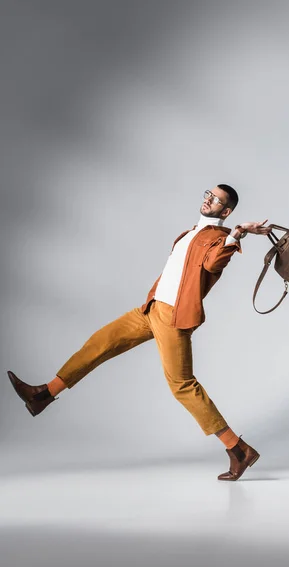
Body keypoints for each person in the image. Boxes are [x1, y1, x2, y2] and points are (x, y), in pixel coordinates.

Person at [8, 184, 272, 481]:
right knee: (101, 342)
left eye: (216, 200)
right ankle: (44, 394)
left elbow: (213, 263)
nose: (208, 199)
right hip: (151, 309)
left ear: (225, 211)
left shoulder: (219, 238)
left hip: (174, 317)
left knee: (182, 386)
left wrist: (237, 233)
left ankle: (238, 450)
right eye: (207, 194)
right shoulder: (190, 233)